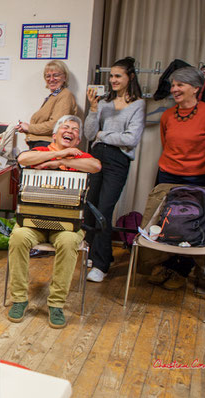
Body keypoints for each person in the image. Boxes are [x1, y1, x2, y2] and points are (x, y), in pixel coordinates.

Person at [7, 115, 101, 329]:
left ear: (77, 140)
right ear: (54, 134)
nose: (70, 131)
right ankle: (19, 299)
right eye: (66, 127)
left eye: (75, 130)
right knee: (19, 237)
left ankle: (56, 304)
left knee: (69, 242)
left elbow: (95, 166)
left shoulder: (81, 156)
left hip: (67, 226)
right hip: (33, 223)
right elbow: (22, 159)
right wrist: (58, 153)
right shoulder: (40, 152)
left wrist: (59, 162)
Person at [148, 67, 205, 290]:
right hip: (167, 175)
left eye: (180, 85)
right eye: (173, 85)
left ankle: (182, 270)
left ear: (196, 88)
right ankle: (168, 266)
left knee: (192, 226)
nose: (174, 89)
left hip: (197, 178)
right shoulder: (168, 115)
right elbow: (166, 143)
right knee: (166, 223)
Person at [82, 57, 146, 282]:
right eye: (111, 76)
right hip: (97, 156)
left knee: (105, 209)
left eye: (118, 76)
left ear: (130, 77)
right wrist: (92, 109)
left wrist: (103, 135)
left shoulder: (138, 104)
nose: (113, 80)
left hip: (118, 160)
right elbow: (89, 134)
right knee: (90, 206)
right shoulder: (105, 103)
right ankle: (99, 253)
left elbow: (131, 138)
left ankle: (100, 265)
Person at [17, 60, 79, 149]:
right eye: (48, 76)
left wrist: (29, 128)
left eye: (56, 75)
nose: (51, 79)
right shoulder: (54, 96)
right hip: (42, 144)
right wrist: (26, 128)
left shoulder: (65, 96)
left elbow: (55, 125)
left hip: (48, 145)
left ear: (64, 77)